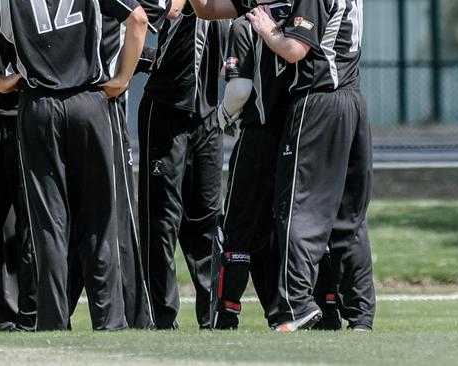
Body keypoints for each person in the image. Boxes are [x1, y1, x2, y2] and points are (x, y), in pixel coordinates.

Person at [0, 0, 148, 331]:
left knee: (49, 224)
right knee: (100, 219)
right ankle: (109, 321)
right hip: (88, 100)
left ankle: (53, 322)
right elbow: (139, 19)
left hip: (38, 106)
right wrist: (123, 78)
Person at [246, 0, 376, 332]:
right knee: (350, 219)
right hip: (353, 100)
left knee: (296, 207)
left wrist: (267, 30)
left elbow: (293, 49)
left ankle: (296, 304)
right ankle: (361, 314)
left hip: (318, 102)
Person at [66, 1, 167, 330]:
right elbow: (158, 12)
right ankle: (130, 316)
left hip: (52, 100)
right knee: (114, 215)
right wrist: (125, 75)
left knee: (57, 221)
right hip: (101, 103)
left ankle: (44, 313)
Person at [138, 0, 227, 329]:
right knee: (161, 220)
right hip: (165, 111)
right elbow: (171, 10)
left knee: (207, 218)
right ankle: (159, 316)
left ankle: (213, 317)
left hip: (207, 114)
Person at [209, 1, 292, 330]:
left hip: (257, 134)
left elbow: (240, 88)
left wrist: (221, 116)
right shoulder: (301, 18)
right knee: (281, 228)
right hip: (297, 137)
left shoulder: (246, 24)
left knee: (238, 227)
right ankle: (295, 309)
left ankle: (227, 312)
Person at [0, 34, 35, 332]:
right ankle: (21, 315)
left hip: (30, 114)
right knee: (1, 224)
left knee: (26, 225)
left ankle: (22, 314)